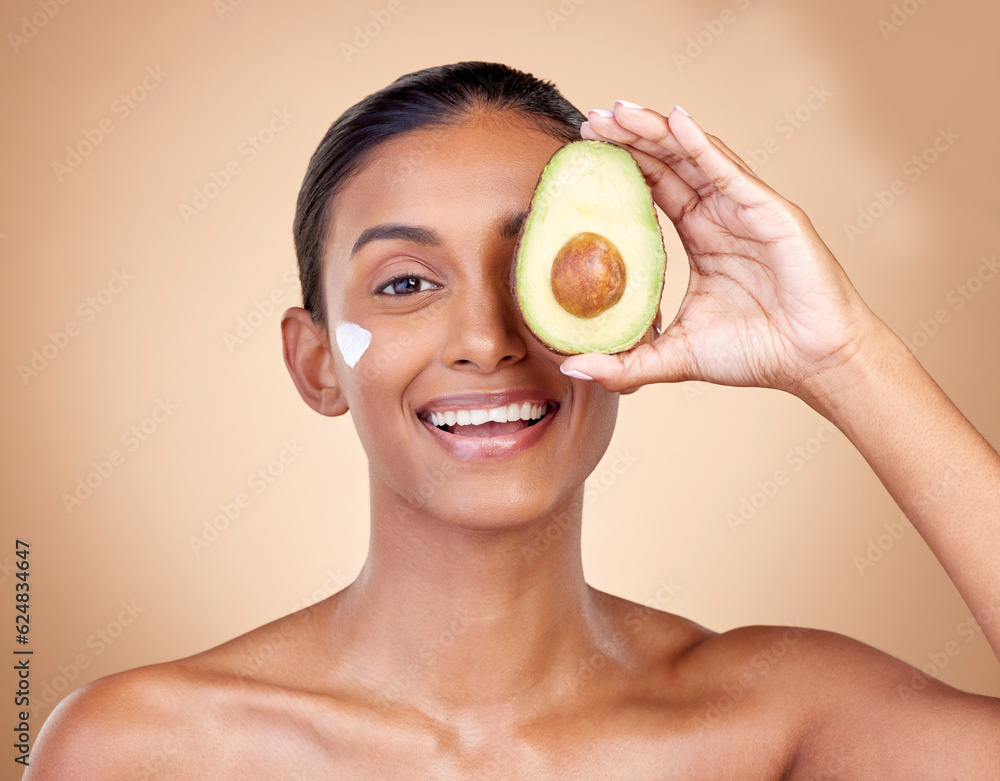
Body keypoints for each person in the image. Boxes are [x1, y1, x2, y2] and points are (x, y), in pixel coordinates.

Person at [26, 61, 1000, 779]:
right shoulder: (141, 747)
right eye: (405, 282)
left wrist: (843, 358)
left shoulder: (778, 720)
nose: (486, 339)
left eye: (541, 264)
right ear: (316, 362)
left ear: (628, 313)